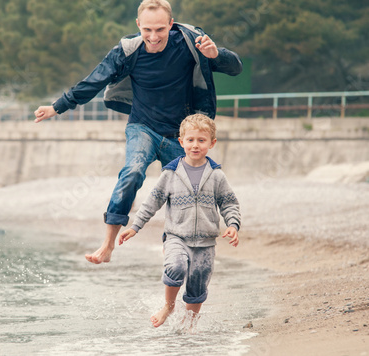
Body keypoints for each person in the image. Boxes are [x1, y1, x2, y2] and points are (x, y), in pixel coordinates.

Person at [34, 0, 242, 264]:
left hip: (181, 135)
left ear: (170, 24)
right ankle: (108, 245)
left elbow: (236, 67)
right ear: (138, 26)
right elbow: (94, 81)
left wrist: (216, 56)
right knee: (132, 172)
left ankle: (173, 247)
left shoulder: (192, 42)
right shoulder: (127, 51)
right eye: (147, 30)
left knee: (188, 192)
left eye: (159, 30)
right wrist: (57, 107)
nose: (153, 37)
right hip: (142, 126)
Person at [119, 114, 240, 328]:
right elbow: (151, 203)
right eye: (190, 140)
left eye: (201, 140)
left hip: (206, 241)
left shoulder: (217, 176)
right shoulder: (170, 173)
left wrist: (232, 225)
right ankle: (169, 305)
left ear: (211, 143)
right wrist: (135, 227)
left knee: (198, 283)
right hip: (176, 236)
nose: (195, 145)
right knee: (175, 266)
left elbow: (229, 203)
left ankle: (190, 322)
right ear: (181, 141)